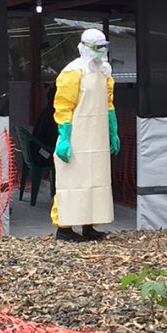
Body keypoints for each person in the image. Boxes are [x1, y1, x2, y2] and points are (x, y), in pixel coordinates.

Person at [51, 29, 120, 241]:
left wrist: (113, 131)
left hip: (97, 139)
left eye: (104, 47)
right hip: (76, 136)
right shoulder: (73, 71)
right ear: (86, 47)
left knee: (96, 179)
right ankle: (65, 228)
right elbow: (63, 106)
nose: (102, 51)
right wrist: (64, 136)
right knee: (72, 180)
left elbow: (108, 104)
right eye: (98, 47)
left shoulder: (104, 72)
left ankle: (90, 225)